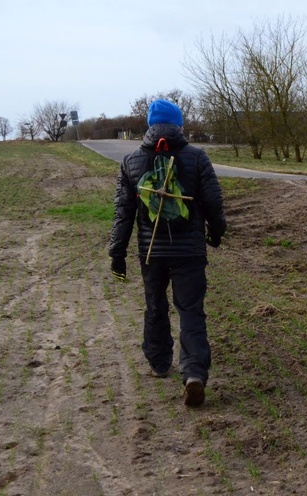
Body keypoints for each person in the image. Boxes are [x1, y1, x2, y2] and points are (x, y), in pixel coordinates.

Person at [109, 99, 226, 407]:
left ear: (149, 125)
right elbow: (213, 200)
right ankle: (194, 373)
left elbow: (123, 212)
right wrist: (217, 231)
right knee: (190, 310)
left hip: (151, 253)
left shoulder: (131, 162)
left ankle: (160, 362)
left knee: (155, 304)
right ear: (179, 125)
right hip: (189, 251)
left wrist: (117, 252)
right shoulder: (197, 157)